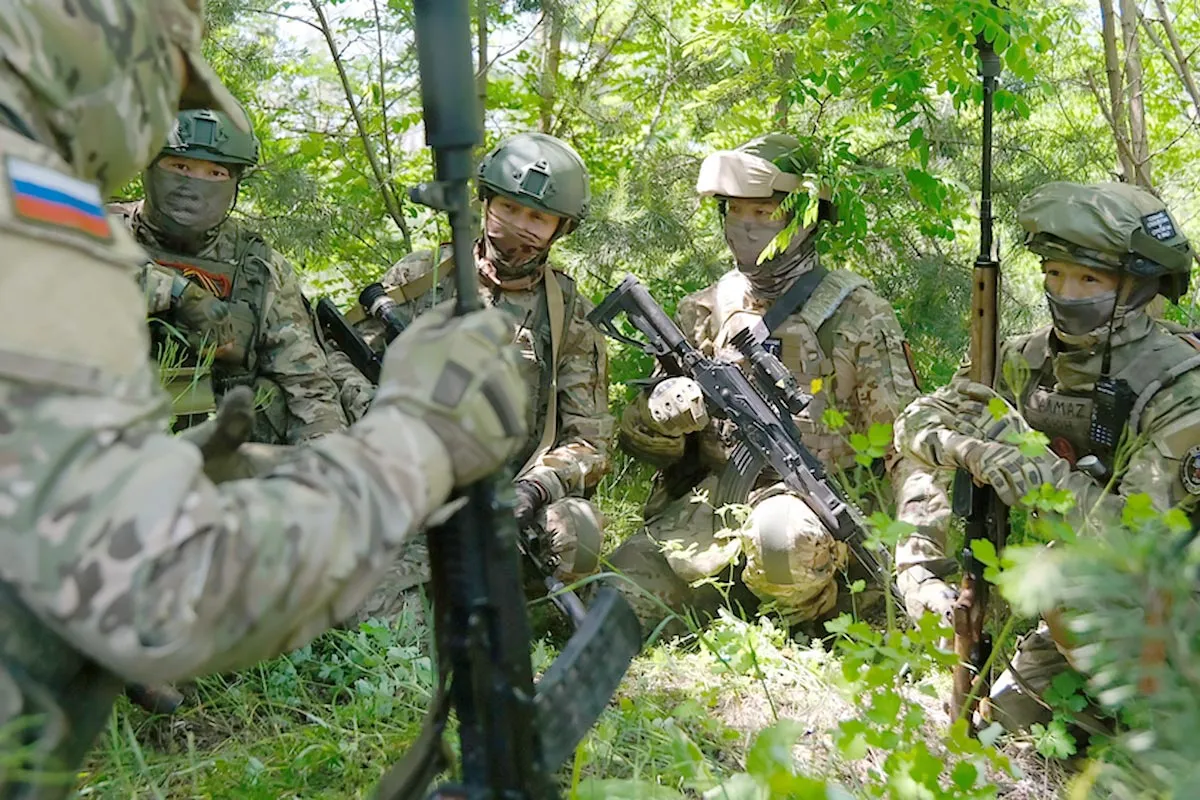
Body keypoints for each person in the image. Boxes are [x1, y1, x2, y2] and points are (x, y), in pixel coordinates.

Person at [0, 1, 527, 793]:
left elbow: (304, 378)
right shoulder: (48, 233)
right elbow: (161, 589)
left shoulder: (210, 256)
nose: (189, 178)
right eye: (162, 90)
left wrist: (326, 459)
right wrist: (414, 444)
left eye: (215, 172)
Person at [893, 181, 1200, 731]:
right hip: (1100, 609)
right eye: (1054, 273)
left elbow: (1135, 539)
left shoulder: (1180, 387)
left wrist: (1030, 467)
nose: (1066, 291)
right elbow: (914, 423)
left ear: (1138, 286)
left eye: (1089, 278)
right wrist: (969, 451)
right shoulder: (1024, 358)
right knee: (1000, 731)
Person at [607, 133, 926, 635]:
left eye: (766, 213)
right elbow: (637, 443)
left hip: (812, 516)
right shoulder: (705, 309)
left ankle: (812, 623)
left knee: (781, 539)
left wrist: (918, 559)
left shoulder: (857, 314)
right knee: (619, 598)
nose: (748, 228)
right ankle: (725, 603)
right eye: (737, 212)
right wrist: (658, 415)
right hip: (710, 512)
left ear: (804, 217)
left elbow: (906, 450)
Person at [351, 132, 613, 622]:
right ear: (486, 202)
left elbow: (589, 441)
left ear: (561, 228)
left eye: (538, 217)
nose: (519, 227)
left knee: (575, 531)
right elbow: (343, 365)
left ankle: (518, 604)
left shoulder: (568, 315)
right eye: (509, 208)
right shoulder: (422, 279)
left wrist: (532, 489)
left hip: (506, 498)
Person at [111, 107, 351, 443]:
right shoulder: (95, 229)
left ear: (235, 180)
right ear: (149, 164)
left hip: (221, 457)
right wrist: (177, 293)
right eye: (180, 166)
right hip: (100, 442)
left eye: (215, 173)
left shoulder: (261, 267)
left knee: (271, 398)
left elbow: (308, 388)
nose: (194, 184)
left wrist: (324, 476)